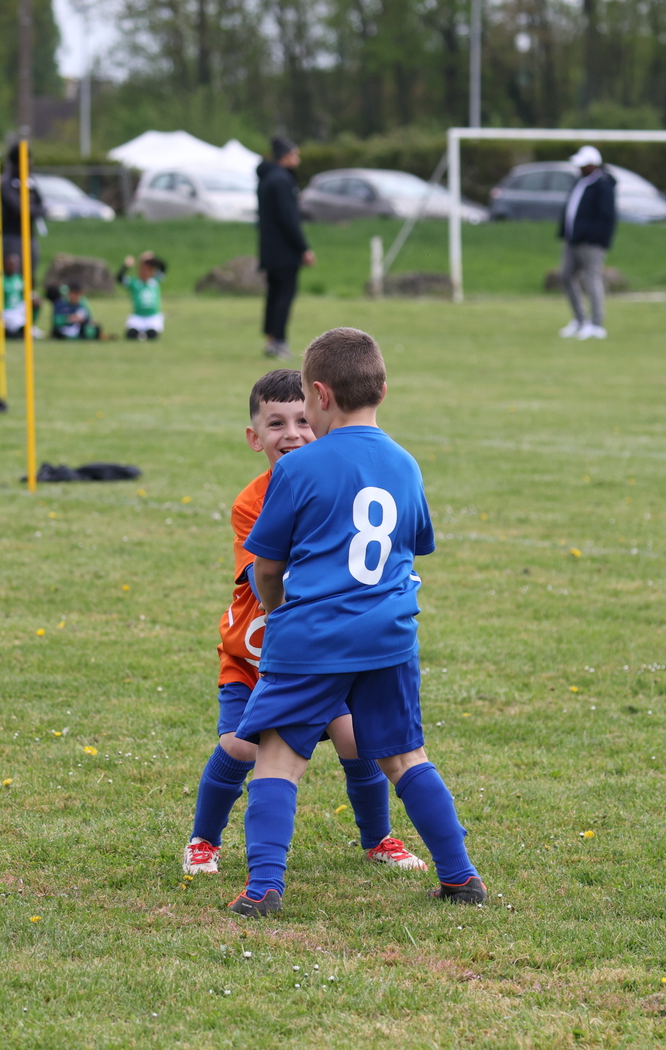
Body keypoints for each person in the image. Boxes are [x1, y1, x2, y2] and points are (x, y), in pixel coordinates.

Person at [227, 327, 485, 917]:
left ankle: (264, 888)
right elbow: (412, 546)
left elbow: (267, 567)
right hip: (389, 636)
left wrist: (277, 611)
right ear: (382, 391)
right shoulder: (405, 464)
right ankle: (460, 876)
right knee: (405, 757)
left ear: (319, 395)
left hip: (311, 636)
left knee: (278, 758)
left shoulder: (297, 468)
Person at [182, 368, 426, 879]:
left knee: (357, 739)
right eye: (276, 424)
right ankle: (204, 839)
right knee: (241, 745)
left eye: (302, 420)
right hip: (257, 657)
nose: (292, 434)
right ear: (255, 437)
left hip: (320, 652)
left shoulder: (336, 483)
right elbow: (266, 578)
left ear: (323, 416)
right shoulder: (251, 502)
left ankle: (378, 838)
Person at [256, 136, 315, 361]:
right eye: (295, 154)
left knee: (273, 295)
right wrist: (303, 248)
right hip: (284, 251)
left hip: (269, 249)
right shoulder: (282, 180)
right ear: (285, 156)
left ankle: (271, 340)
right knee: (284, 295)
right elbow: (289, 219)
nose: (298, 159)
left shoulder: (266, 178)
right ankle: (279, 341)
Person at [556, 146, 617, 340]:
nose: (580, 168)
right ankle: (580, 320)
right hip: (572, 240)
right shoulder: (580, 182)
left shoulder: (603, 185)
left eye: (583, 165)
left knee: (591, 279)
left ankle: (596, 324)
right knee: (566, 276)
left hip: (591, 243)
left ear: (593, 165)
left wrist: (594, 238)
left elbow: (607, 217)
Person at [0, 147, 46, 282]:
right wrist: (29, 207)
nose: (31, 162)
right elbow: (17, 208)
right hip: (12, 237)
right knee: (14, 273)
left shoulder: (30, 182)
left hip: (30, 236)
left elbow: (41, 208)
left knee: (31, 271)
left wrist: (29, 208)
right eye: (27, 159)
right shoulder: (7, 184)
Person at [117, 252, 166, 339]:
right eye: (142, 270)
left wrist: (151, 259)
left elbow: (163, 266)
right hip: (138, 317)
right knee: (131, 334)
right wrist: (126, 266)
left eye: (148, 270)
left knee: (152, 334)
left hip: (152, 317)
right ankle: (142, 335)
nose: (145, 273)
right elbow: (119, 277)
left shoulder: (155, 281)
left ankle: (143, 335)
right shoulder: (134, 282)